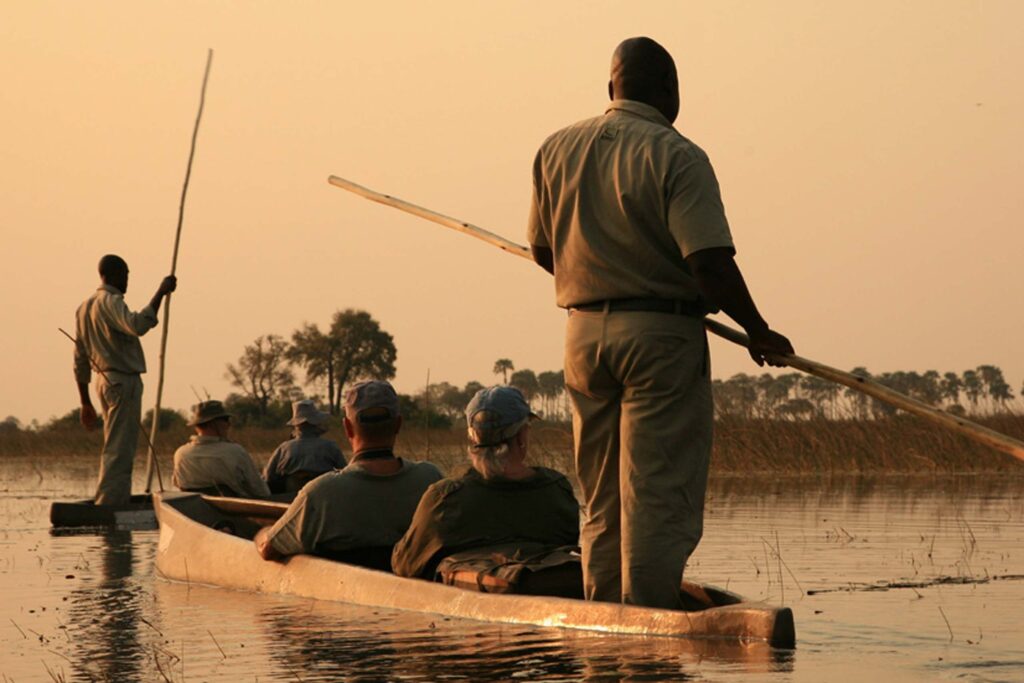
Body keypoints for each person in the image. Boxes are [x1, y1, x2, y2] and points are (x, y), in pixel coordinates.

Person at [526, 37, 794, 608]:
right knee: (654, 494)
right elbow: (709, 264)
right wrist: (758, 330)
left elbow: (543, 252)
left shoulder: (555, 149)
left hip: (582, 334)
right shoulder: (677, 155)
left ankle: (603, 619)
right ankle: (647, 621)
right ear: (671, 93)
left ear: (610, 90)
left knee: (600, 497)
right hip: (659, 339)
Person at [391, 386, 580, 581]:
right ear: (522, 437)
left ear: (472, 438)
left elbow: (404, 565)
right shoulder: (557, 490)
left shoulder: (444, 499)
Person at [254, 380, 442, 569]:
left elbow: (268, 549)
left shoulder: (321, 493)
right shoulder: (432, 481)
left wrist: (262, 533)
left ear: (348, 428)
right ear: (398, 424)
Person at [73, 254, 177, 506]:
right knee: (120, 447)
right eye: (126, 275)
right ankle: (111, 504)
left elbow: (80, 359)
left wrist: (85, 401)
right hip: (121, 381)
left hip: (103, 382)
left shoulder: (84, 308)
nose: (128, 281)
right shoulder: (110, 301)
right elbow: (137, 325)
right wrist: (161, 292)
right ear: (114, 274)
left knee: (113, 443)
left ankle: (108, 497)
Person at [172, 400, 271, 499]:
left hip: (194, 510)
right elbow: (262, 492)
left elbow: (178, 484)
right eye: (226, 419)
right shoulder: (235, 452)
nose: (229, 424)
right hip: (234, 511)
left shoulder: (180, 454)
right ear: (214, 423)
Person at [263, 400, 346, 495]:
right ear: (315, 423)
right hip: (324, 496)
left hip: (291, 499)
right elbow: (345, 473)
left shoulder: (284, 448)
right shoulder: (330, 446)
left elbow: (268, 477)